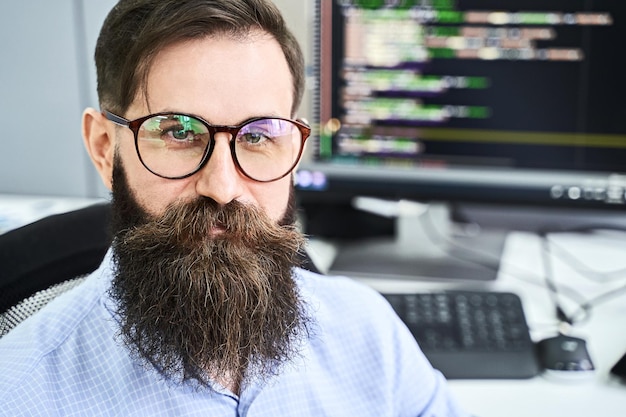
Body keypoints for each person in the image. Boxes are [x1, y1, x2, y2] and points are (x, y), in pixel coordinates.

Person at [0, 0, 469, 415]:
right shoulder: (19, 394)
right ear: (105, 148)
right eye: (178, 132)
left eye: (259, 135)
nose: (223, 187)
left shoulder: (369, 334)